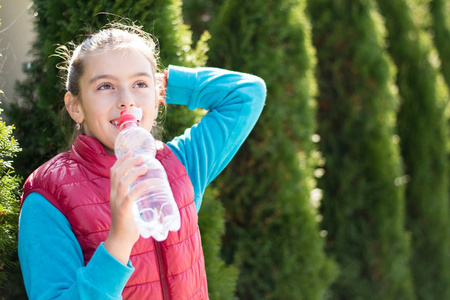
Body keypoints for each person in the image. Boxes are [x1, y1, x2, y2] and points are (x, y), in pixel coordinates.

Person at [18, 22, 266, 300]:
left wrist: (164, 84)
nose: (126, 101)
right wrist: (119, 239)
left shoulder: (180, 165)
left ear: (157, 95)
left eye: (139, 84)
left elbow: (247, 94)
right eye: (105, 86)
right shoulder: (49, 195)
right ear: (76, 107)